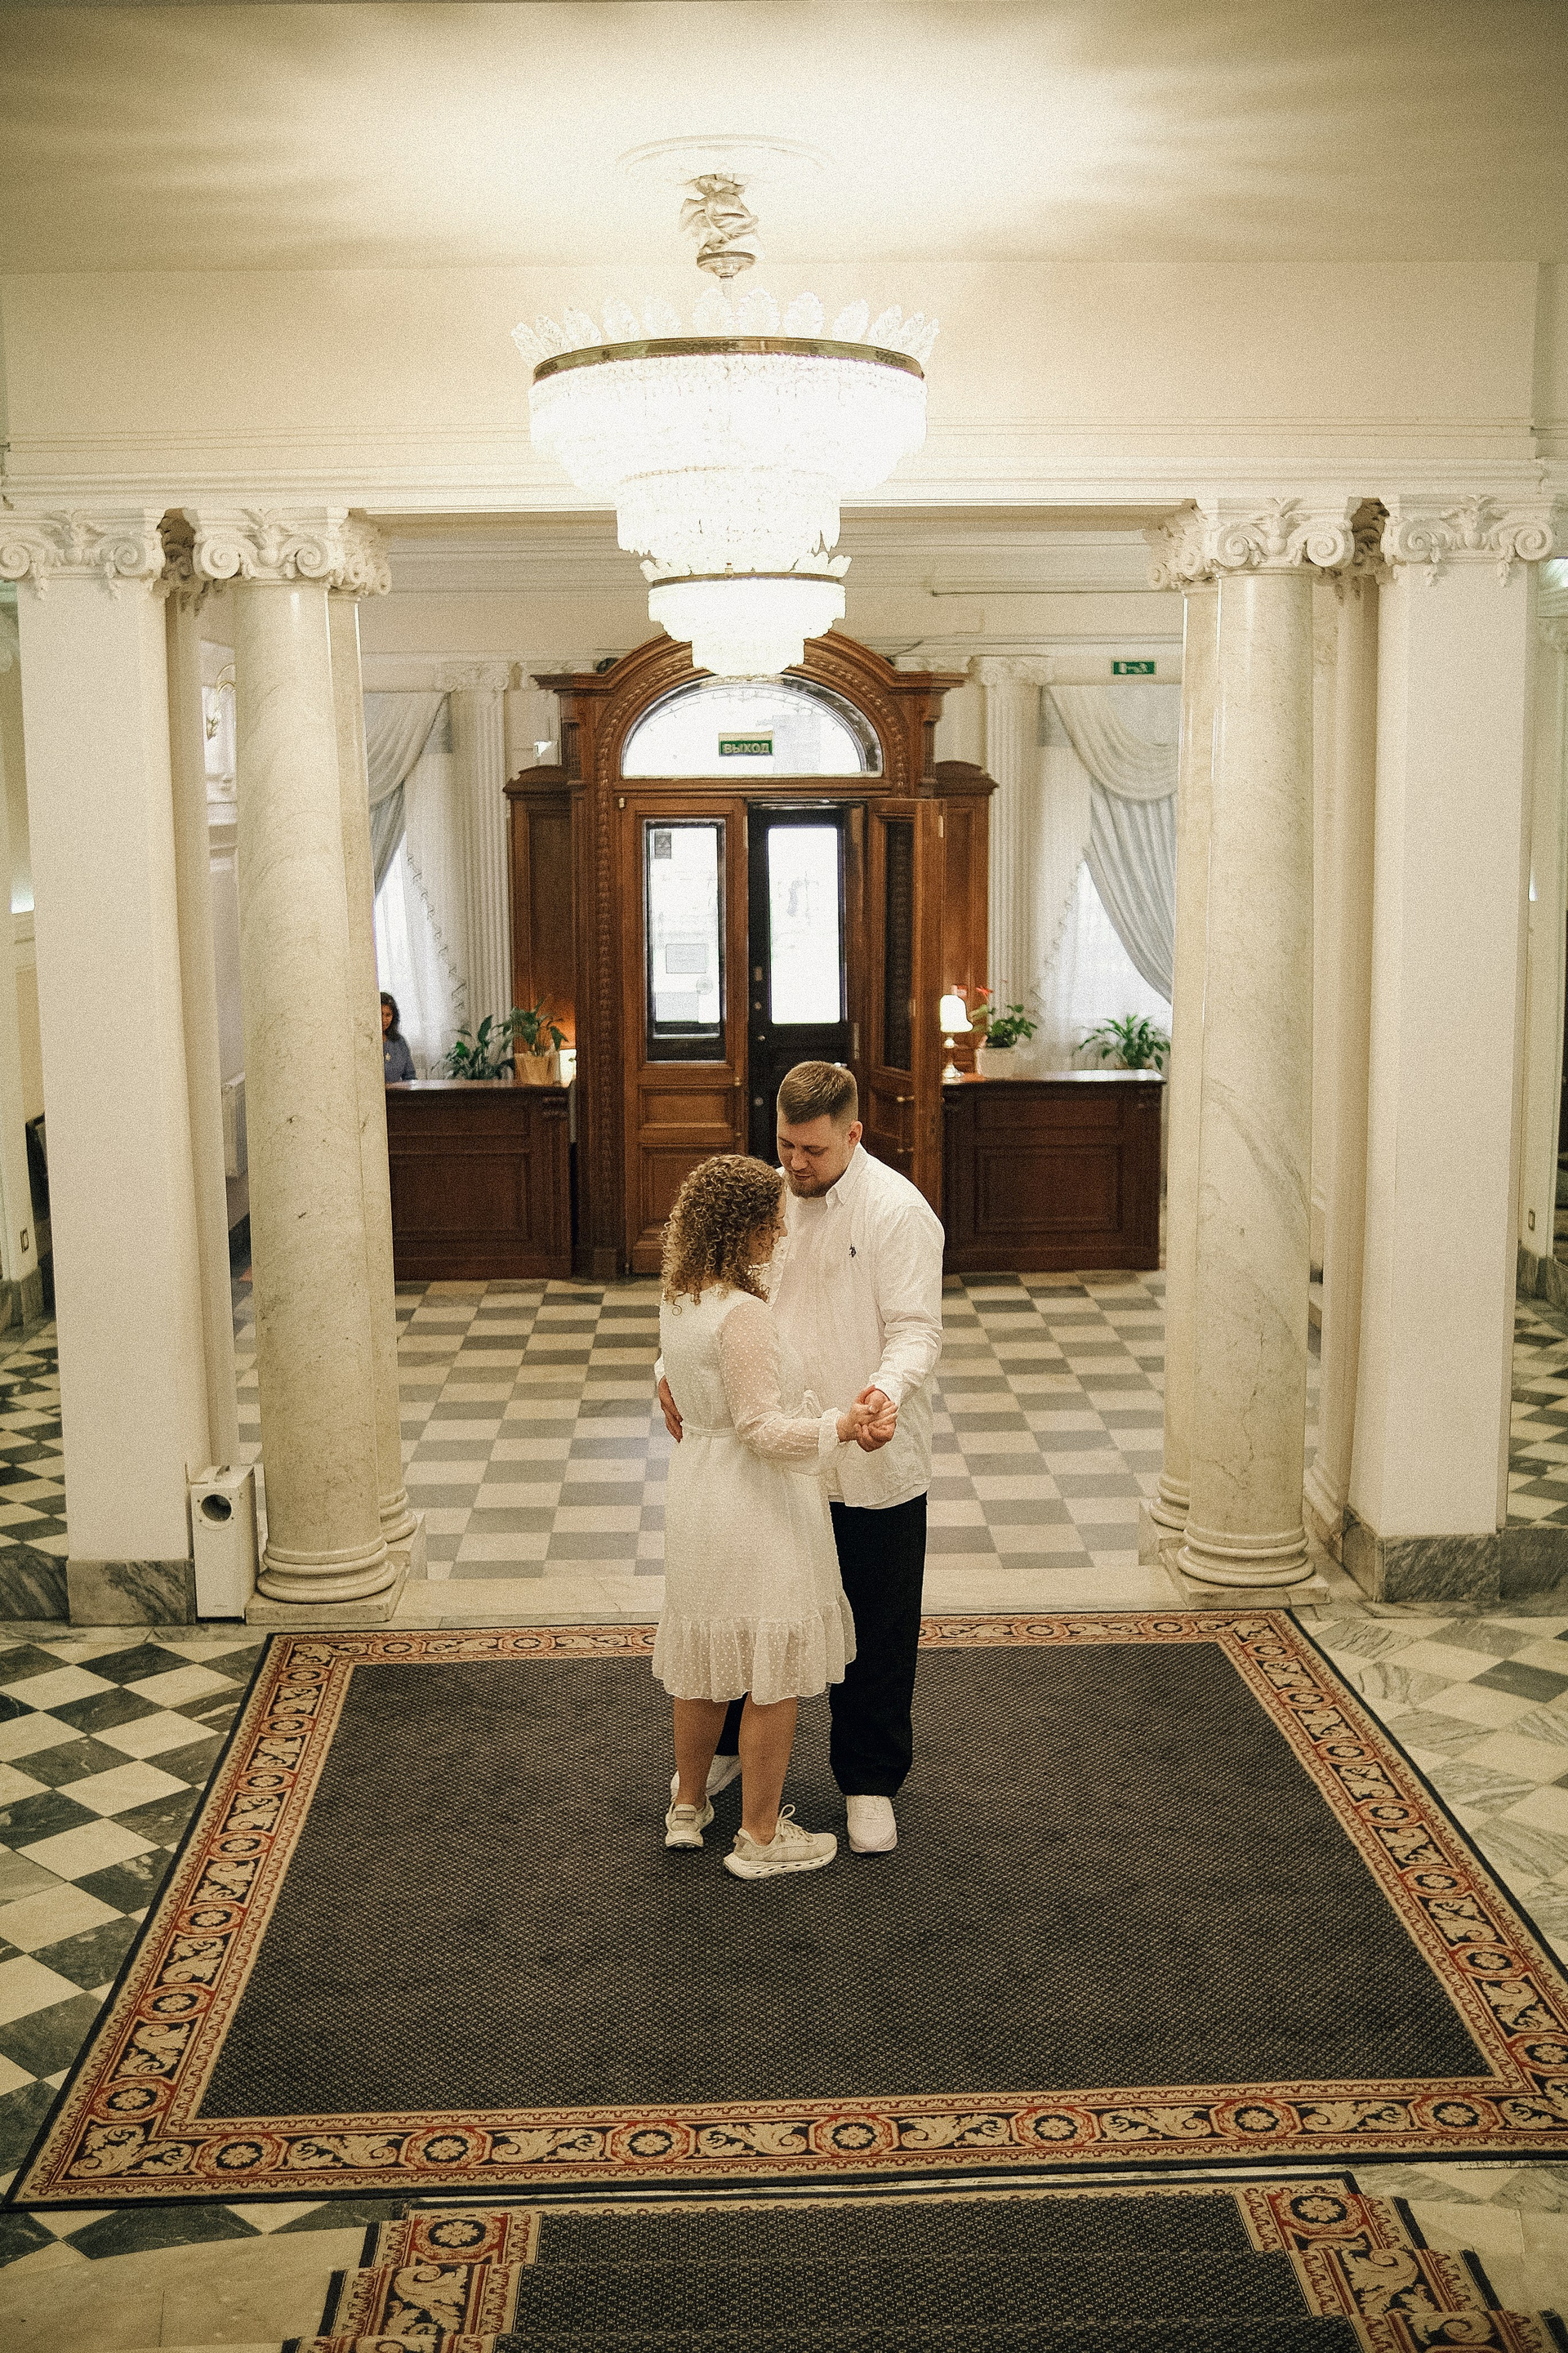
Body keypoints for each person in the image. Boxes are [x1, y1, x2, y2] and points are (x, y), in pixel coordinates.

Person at [658, 1063, 944, 1856]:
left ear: (854, 1134)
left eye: (812, 1149)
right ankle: (724, 1760)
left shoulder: (899, 1212)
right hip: (773, 1461)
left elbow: (916, 1328)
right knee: (749, 1608)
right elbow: (705, 1297)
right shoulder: (765, 1198)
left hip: (868, 1447)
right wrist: (667, 1369)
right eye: (785, 1144)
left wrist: (882, 1393)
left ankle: (869, 1781)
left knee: (877, 1622)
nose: (795, 1163)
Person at [655, 1152, 882, 1883]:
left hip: (699, 1492)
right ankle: (758, 1836)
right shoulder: (742, 1315)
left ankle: (688, 1804)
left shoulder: (681, 1298)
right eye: (772, 1223)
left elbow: (691, 1387)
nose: (781, 1234)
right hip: (753, 1504)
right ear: (742, 1228)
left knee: (704, 1658)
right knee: (769, 1671)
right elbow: (761, 1429)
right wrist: (839, 1426)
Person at [381, 992, 415, 1084]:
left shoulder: (400, 1041)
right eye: (380, 1014)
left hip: (398, 1092)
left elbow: (410, 1076)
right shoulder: (367, 1042)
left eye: (388, 1015)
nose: (384, 1020)